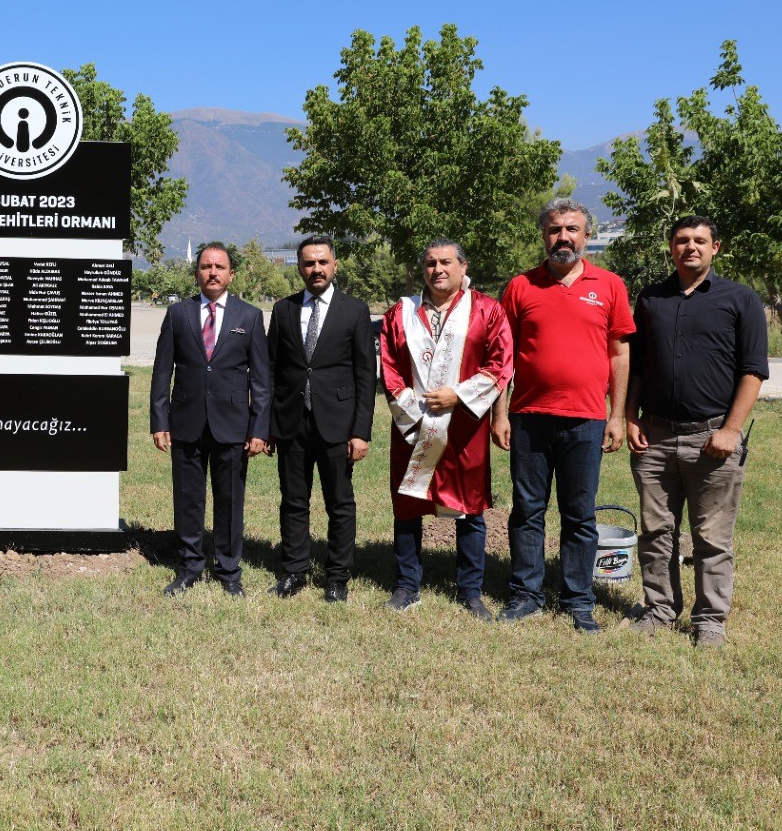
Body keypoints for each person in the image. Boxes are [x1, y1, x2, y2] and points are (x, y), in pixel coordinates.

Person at [492, 197, 634, 632]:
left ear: (586, 236)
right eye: (555, 229)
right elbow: (505, 355)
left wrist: (618, 414)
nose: (563, 237)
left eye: (572, 229)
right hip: (529, 417)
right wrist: (501, 413)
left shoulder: (609, 285)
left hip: (586, 419)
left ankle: (577, 599)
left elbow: (619, 352)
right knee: (527, 509)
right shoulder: (520, 287)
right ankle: (526, 594)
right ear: (544, 235)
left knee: (579, 513)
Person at [626, 216, 767, 649]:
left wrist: (731, 429)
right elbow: (636, 366)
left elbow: (753, 371)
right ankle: (660, 610)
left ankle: (710, 622)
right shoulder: (650, 298)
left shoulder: (740, 299)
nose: (691, 247)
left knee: (712, 537)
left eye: (700, 241)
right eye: (682, 240)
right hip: (654, 436)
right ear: (671, 247)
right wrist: (630, 416)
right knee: (655, 532)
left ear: (715, 247)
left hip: (713, 440)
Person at [379, 240, 514, 620]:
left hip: (465, 424)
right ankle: (407, 585)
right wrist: (415, 409)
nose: (438, 269)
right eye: (430, 263)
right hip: (414, 426)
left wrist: (458, 395)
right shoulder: (400, 314)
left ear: (462, 266)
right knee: (408, 503)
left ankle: (470, 590)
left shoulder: (487, 310)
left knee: (469, 506)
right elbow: (388, 369)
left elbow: (500, 363)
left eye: (446, 262)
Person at [149, 243, 271, 596]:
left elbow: (261, 380)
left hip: (233, 424)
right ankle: (189, 566)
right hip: (186, 421)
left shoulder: (249, 317)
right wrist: (160, 420)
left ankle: (228, 571)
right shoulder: (177, 314)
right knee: (188, 498)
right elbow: (161, 373)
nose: (212, 272)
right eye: (205, 266)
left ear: (232, 274)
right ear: (197, 272)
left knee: (230, 499)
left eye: (219, 267)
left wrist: (259, 427)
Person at [268, 235, 377, 602]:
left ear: (335, 265)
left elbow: (366, 375)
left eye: (322, 262)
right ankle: (295, 571)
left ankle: (336, 576)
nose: (316, 269)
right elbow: (271, 371)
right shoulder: (283, 310)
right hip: (291, 423)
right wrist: (267, 426)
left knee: (339, 503)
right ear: (299, 267)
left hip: (337, 424)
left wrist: (361, 431)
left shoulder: (355, 310)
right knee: (293, 501)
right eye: (309, 263)